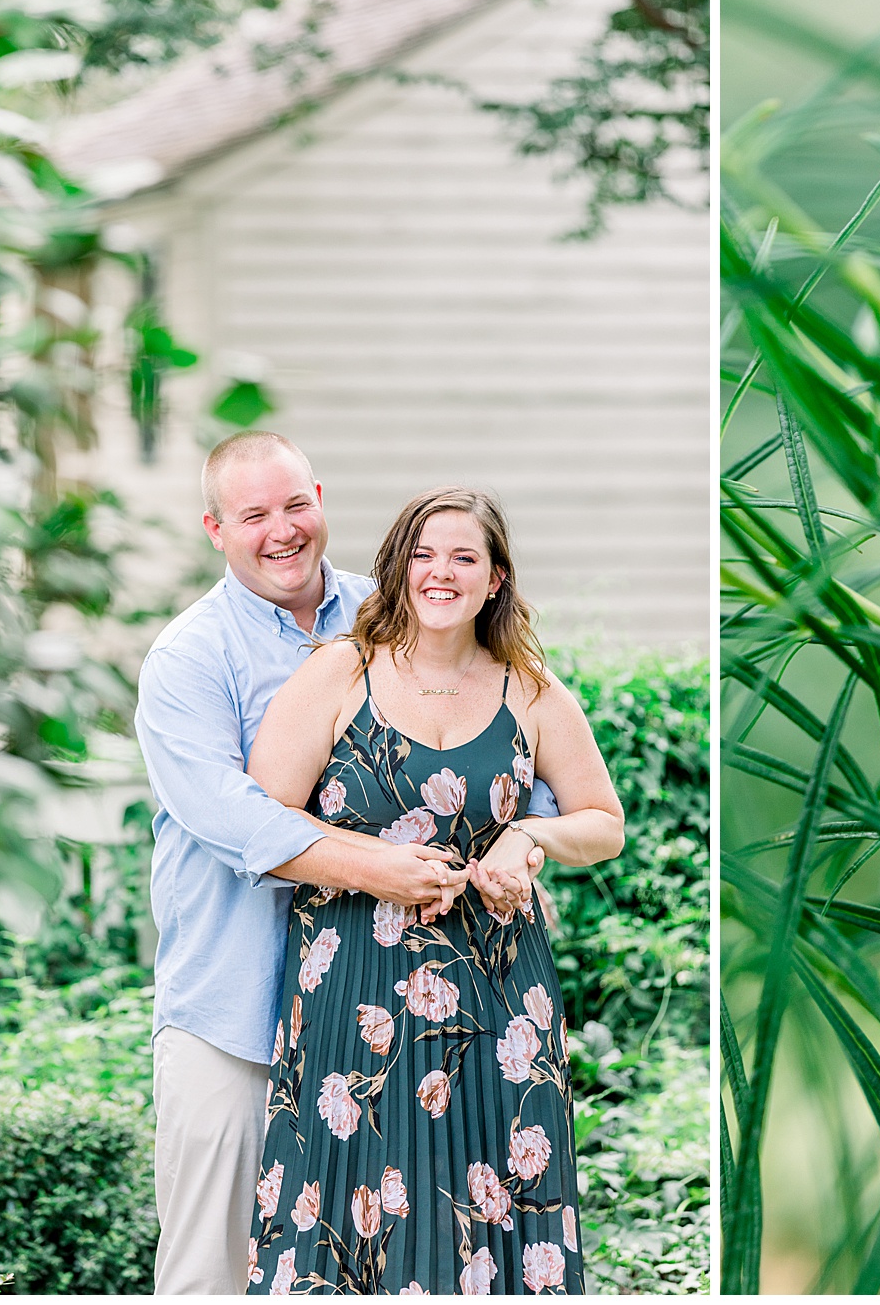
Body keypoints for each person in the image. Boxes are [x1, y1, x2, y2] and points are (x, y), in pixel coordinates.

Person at [135, 434, 561, 1294]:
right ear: (216, 529)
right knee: (213, 1275)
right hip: (234, 1008)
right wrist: (378, 866)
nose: (281, 530)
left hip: (382, 1013)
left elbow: (521, 756)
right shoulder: (189, 658)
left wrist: (526, 837)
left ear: (321, 499)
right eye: (253, 515)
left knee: (381, 1261)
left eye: (295, 504)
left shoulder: (397, 610)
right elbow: (234, 817)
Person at [242, 486, 623, 1296]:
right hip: (355, 985)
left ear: (495, 580)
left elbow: (603, 822)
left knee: (487, 1190)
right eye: (422, 554)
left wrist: (529, 836)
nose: (439, 573)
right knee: (354, 1202)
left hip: (498, 991)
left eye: (463, 557)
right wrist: (373, 863)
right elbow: (264, 831)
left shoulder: (530, 687)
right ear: (396, 568)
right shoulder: (339, 672)